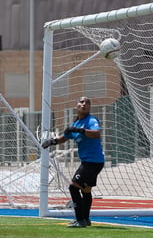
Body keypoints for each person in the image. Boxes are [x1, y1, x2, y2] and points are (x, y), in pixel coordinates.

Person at [42, 96, 105, 228]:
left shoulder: (91, 120)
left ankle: (80, 219)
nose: (84, 104)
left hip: (92, 162)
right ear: (76, 105)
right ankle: (86, 220)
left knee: (73, 186)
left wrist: (80, 130)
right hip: (90, 162)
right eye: (81, 102)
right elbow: (64, 138)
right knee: (86, 190)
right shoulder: (76, 124)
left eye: (88, 103)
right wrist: (52, 141)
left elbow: (96, 133)